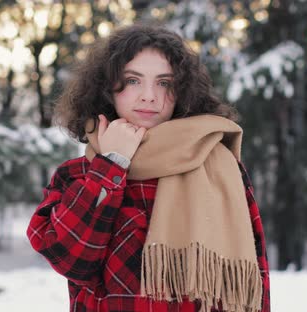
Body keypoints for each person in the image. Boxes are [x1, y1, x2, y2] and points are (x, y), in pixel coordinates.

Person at [26, 24, 270, 312]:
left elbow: (254, 282)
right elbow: (71, 260)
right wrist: (112, 164)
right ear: (107, 89)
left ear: (182, 92)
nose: (149, 96)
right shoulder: (78, 174)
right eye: (132, 81)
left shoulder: (219, 166)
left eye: (164, 83)